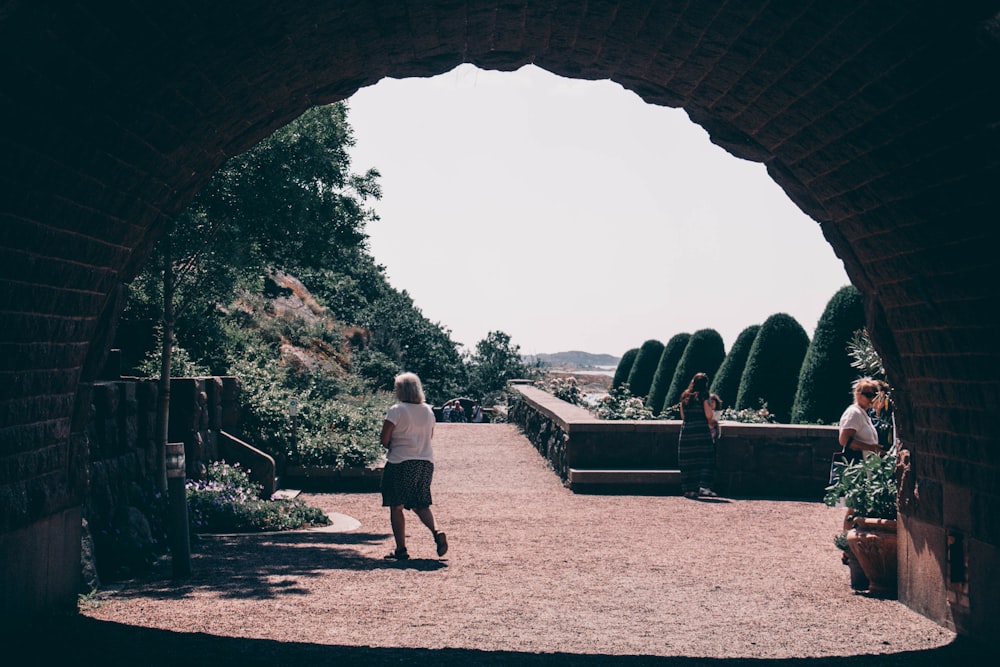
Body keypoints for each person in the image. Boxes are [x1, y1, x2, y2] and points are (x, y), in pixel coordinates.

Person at [379, 372, 448, 560]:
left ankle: (401, 549)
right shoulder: (428, 411)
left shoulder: (397, 410)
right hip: (425, 462)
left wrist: (392, 445)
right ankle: (436, 531)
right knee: (420, 503)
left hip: (400, 462)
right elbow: (429, 436)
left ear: (401, 390)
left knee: (397, 505)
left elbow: (384, 438)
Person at [677, 372, 719, 498]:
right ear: (705, 384)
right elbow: (709, 415)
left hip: (687, 430)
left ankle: (688, 490)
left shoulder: (685, 396)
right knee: (705, 458)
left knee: (688, 460)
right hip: (700, 430)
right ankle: (702, 487)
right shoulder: (704, 396)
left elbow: (683, 416)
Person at [837, 377, 884, 465]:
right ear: (858, 394)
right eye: (868, 395)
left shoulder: (863, 414)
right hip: (857, 465)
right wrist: (871, 448)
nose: (872, 399)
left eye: (874, 395)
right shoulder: (854, 413)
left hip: (866, 466)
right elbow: (844, 440)